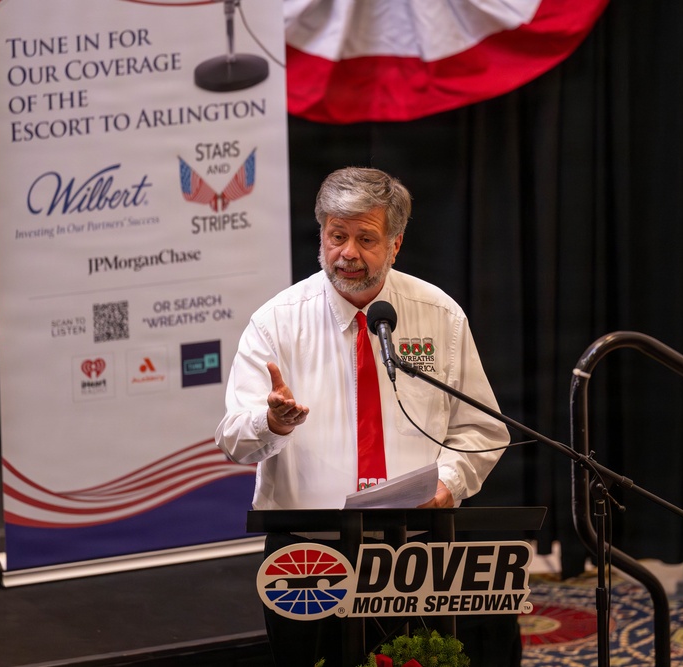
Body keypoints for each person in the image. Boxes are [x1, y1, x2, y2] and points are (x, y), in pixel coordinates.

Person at [215, 167, 511, 667]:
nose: (347, 253)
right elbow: (233, 440)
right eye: (336, 236)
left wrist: (449, 484)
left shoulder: (439, 315)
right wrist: (273, 424)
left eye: (365, 239)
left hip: (414, 551)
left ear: (396, 244)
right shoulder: (275, 323)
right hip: (309, 555)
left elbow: (480, 428)